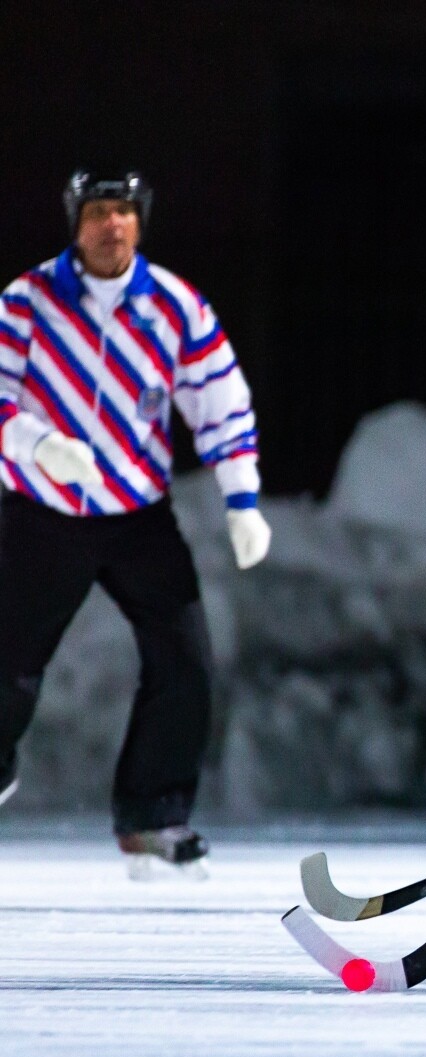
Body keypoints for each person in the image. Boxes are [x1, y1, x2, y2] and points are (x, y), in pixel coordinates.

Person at [0, 169, 271, 878]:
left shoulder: (175, 306)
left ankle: (153, 814)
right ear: (74, 222)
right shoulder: (27, 303)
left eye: (122, 211)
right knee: (7, 663)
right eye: (96, 212)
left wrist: (242, 501)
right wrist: (38, 445)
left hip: (137, 517)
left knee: (186, 663)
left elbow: (221, 402)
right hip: (41, 511)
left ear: (140, 222)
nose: (110, 225)